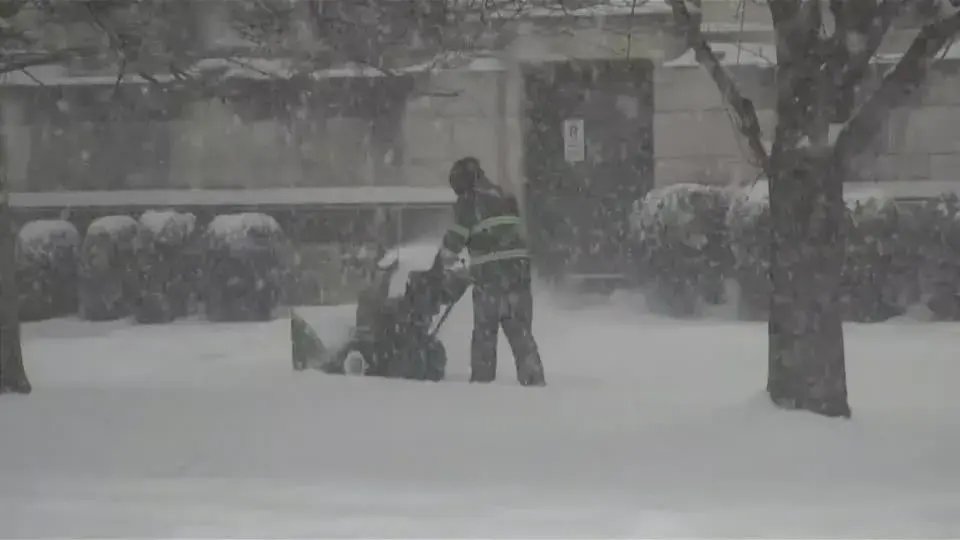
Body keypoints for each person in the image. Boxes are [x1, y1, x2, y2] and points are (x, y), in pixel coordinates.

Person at [437, 157, 546, 387]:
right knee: (521, 335)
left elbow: (453, 245)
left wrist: (445, 263)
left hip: (490, 282)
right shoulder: (506, 198)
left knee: (485, 338)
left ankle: (482, 387)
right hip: (519, 279)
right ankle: (534, 382)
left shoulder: (469, 203)